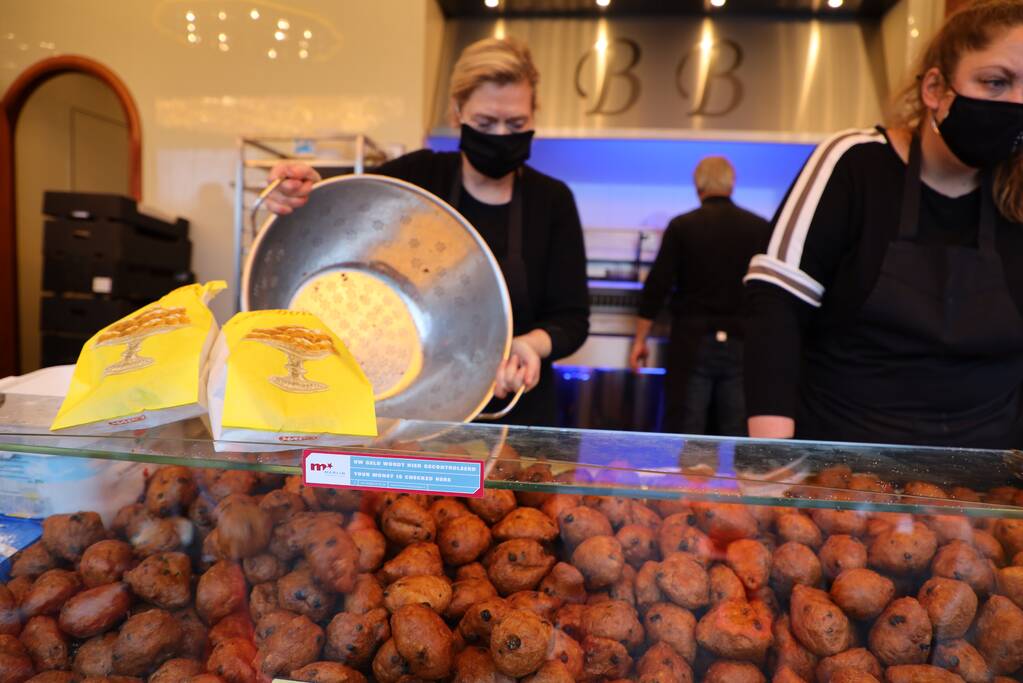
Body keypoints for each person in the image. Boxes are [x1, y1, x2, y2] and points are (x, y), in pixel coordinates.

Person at [263, 37, 589, 427]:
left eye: (516, 124)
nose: (501, 135)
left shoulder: (552, 200)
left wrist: (529, 345)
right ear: (457, 113)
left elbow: (572, 319)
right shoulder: (417, 177)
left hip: (517, 413)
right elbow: (342, 205)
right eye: (485, 123)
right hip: (411, 413)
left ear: (533, 117)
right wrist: (298, 189)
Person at [743, 0, 1023, 448]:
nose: (1015, 103)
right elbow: (775, 306)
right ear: (936, 88)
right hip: (841, 470)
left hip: (988, 478)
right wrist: (771, 460)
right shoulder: (855, 163)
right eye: (995, 82)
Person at [630, 157, 771, 435]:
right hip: (742, 342)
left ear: (698, 185)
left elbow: (657, 286)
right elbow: (767, 292)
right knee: (736, 435)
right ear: (732, 184)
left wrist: (640, 340)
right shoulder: (759, 227)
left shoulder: (682, 226)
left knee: (687, 432)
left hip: (691, 341)